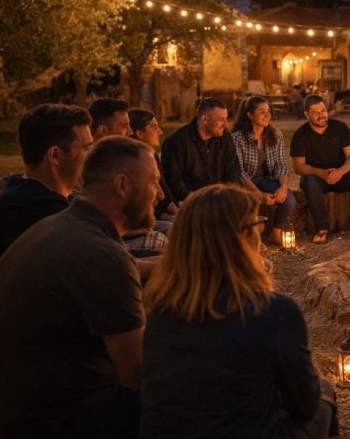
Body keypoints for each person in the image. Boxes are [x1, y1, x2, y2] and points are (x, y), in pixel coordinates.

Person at [0, 136, 162, 438]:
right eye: (153, 183)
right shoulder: (99, 254)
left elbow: (121, 272)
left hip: (7, 411)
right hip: (51, 421)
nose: (160, 194)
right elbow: (137, 374)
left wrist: (176, 263)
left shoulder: (64, 225)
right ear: (122, 186)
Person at [141, 185, 335, 438]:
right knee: (324, 392)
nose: (261, 234)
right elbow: (303, 406)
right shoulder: (274, 313)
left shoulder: (157, 312)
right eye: (258, 224)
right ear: (243, 237)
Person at [0, 104, 92, 289]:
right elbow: (101, 264)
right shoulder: (30, 208)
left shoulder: (37, 192)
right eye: (87, 149)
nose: (93, 156)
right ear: (55, 155)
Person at [291, 94, 350, 243]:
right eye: (316, 112)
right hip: (315, 176)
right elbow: (298, 167)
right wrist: (320, 172)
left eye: (323, 110)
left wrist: (340, 171)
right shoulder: (300, 135)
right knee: (310, 183)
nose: (321, 115)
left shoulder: (340, 128)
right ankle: (322, 228)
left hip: (340, 174)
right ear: (306, 114)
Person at [231, 96, 297, 245]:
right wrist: (259, 195)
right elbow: (239, 172)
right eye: (262, 112)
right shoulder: (237, 138)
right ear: (249, 115)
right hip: (245, 183)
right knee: (247, 202)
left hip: (266, 180)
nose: (267, 115)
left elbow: (281, 164)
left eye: (268, 111)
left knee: (289, 199)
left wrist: (283, 187)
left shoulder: (275, 135)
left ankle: (276, 232)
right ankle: (247, 238)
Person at [161, 97, 242, 202]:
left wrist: (226, 195)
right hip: (189, 201)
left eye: (226, 118)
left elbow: (233, 172)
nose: (226, 124)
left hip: (219, 197)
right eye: (221, 119)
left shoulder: (225, 137)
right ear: (205, 119)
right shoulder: (177, 140)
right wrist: (197, 200)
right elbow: (173, 180)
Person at [129, 109, 177, 221]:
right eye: (154, 127)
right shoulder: (132, 160)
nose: (160, 132)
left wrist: (177, 212)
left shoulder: (152, 154)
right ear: (140, 133)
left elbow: (164, 189)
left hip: (158, 213)